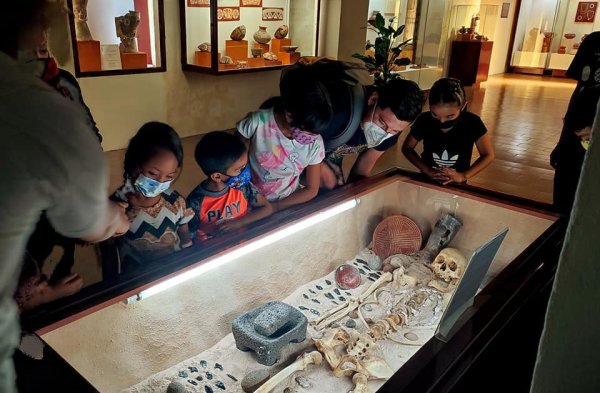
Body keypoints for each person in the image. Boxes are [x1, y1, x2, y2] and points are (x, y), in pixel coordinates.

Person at [0, 2, 129, 392]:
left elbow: (90, 133)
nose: (43, 41)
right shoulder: (34, 107)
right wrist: (115, 218)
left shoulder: (61, 87)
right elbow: (94, 224)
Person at [236, 66, 331, 210]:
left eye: (316, 133)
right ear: (289, 115)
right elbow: (235, 167)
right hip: (249, 201)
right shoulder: (257, 123)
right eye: (307, 130)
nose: (312, 138)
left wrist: (275, 207)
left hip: (287, 201)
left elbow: (311, 189)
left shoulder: (315, 143)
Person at [112, 122, 194, 271]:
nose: (161, 182)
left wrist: (189, 256)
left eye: (169, 176)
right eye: (153, 174)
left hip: (173, 270)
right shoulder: (117, 206)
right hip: (135, 278)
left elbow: (184, 231)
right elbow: (110, 251)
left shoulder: (176, 202)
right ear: (134, 164)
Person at [320, 77, 424, 189]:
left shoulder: (392, 128)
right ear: (373, 100)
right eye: (382, 122)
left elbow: (361, 172)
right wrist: (328, 182)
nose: (384, 133)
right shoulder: (339, 112)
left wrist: (354, 195)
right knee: (327, 187)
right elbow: (302, 146)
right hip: (304, 146)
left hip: (331, 154)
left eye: (395, 131)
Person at [402, 78, 494, 185]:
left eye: (450, 116)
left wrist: (463, 175)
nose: (442, 121)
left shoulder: (473, 123)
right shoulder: (424, 120)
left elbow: (488, 155)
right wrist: (427, 170)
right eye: (435, 115)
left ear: (463, 106)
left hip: (457, 185)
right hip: (427, 181)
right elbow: (407, 148)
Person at [187, 131, 274, 240]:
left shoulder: (243, 187)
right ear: (217, 177)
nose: (244, 172)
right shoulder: (195, 202)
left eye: (244, 166)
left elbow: (267, 208)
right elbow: (189, 237)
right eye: (239, 170)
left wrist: (238, 223)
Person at [551, 31, 600, 214]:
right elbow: (579, 88)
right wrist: (562, 142)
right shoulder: (594, 41)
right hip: (576, 137)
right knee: (563, 199)